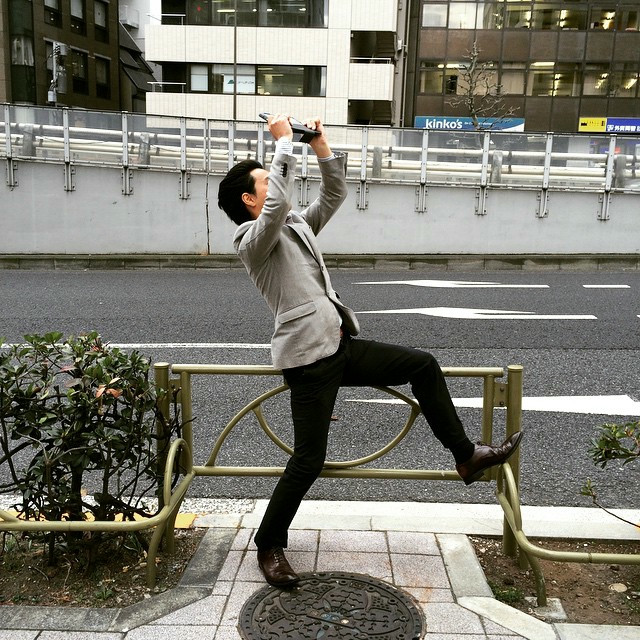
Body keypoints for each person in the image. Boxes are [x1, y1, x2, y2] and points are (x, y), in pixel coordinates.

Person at [217, 114, 522, 588]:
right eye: (265, 182)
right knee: (308, 460)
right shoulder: (251, 240)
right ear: (249, 199)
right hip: (308, 361)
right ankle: (269, 544)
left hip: (339, 345)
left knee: (422, 364)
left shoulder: (293, 225)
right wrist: (280, 146)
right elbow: (276, 208)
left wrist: (320, 146)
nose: (276, 185)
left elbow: (333, 196)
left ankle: (466, 456)